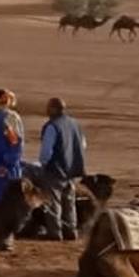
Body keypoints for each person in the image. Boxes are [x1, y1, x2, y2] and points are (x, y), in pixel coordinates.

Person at [39, 97, 87, 240]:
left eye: (48, 107)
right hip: (71, 170)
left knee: (53, 201)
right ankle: (71, 231)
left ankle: (55, 233)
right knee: (69, 201)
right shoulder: (74, 124)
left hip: (56, 170)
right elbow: (83, 144)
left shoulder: (52, 126)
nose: (46, 110)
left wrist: (43, 164)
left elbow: (46, 151)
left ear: (54, 109)